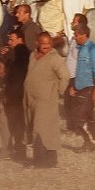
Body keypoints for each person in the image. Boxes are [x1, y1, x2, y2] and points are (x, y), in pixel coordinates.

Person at [25, 33, 70, 168]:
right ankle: (50, 160)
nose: (46, 46)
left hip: (46, 99)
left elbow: (65, 76)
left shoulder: (55, 58)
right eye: (43, 43)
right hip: (30, 98)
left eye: (48, 43)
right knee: (37, 125)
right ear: (37, 43)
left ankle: (41, 161)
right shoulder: (32, 55)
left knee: (41, 128)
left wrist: (58, 91)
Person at [69, 24, 95, 150]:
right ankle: (93, 143)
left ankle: (89, 143)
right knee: (88, 117)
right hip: (81, 87)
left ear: (84, 35)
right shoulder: (81, 49)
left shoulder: (93, 49)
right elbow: (80, 70)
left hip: (89, 88)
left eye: (77, 35)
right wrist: (74, 86)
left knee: (80, 118)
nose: (75, 37)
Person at [0, 29, 29, 160]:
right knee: (16, 123)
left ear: (20, 40)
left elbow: (16, 77)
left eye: (12, 39)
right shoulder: (18, 53)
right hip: (17, 93)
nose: (9, 42)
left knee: (12, 122)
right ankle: (17, 150)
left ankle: (12, 150)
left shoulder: (20, 53)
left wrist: (9, 95)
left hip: (15, 94)